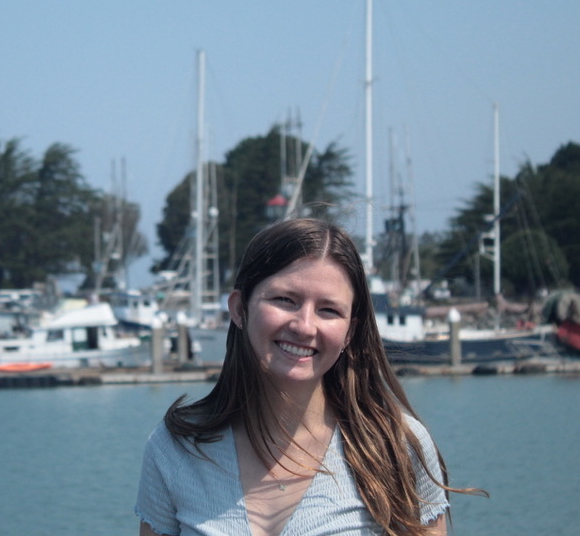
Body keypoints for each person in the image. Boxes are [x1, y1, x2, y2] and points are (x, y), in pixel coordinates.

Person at [135, 218, 483, 536]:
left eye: (328, 310)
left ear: (350, 331)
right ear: (240, 309)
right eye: (285, 300)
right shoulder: (175, 447)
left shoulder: (396, 446)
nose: (304, 326)